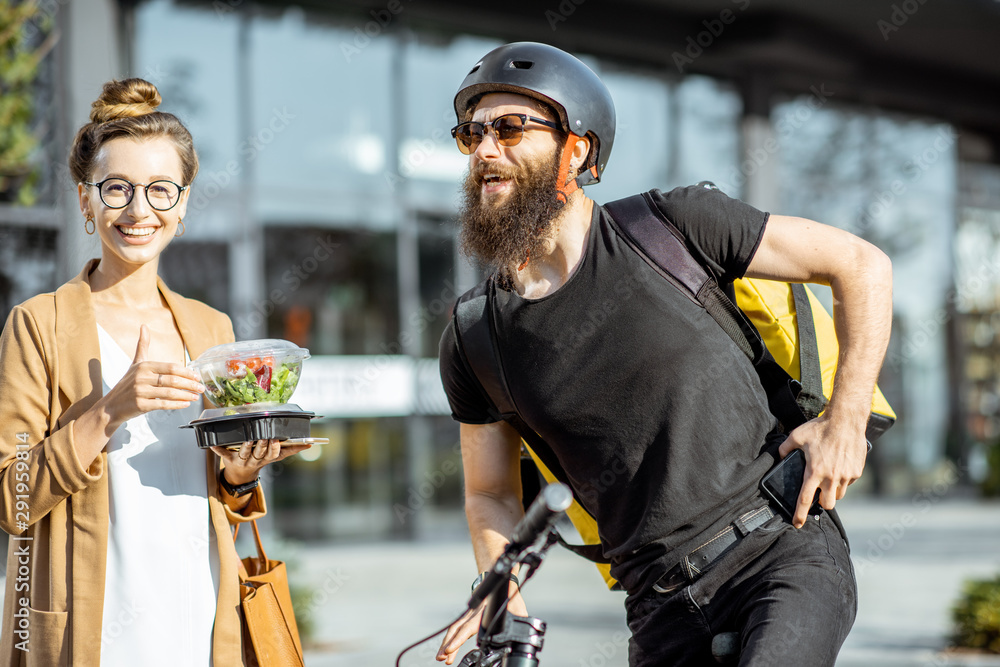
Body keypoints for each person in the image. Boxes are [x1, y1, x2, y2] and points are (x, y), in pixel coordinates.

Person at [435, 42, 892, 666]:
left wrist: (846, 420)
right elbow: (490, 493)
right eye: (472, 133)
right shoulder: (475, 336)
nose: (486, 150)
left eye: (511, 129)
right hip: (658, 608)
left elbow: (862, 266)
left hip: (780, 550)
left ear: (579, 149)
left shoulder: (673, 229)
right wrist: (500, 595)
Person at [0, 78, 307, 666]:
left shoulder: (210, 328)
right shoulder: (37, 324)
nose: (140, 210)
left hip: (199, 617)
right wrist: (111, 408)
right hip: (89, 627)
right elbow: (13, 499)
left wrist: (241, 476)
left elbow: (223, 498)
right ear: (86, 200)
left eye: (161, 190)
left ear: (184, 203)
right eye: (117, 189)